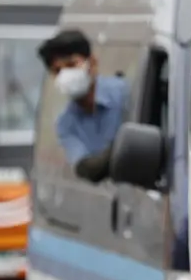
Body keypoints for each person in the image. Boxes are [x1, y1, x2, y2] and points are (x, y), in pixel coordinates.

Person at [38, 29, 129, 183]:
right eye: (57, 70)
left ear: (92, 63)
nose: (65, 75)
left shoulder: (125, 94)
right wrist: (124, 147)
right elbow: (87, 168)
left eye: (71, 65)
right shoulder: (66, 124)